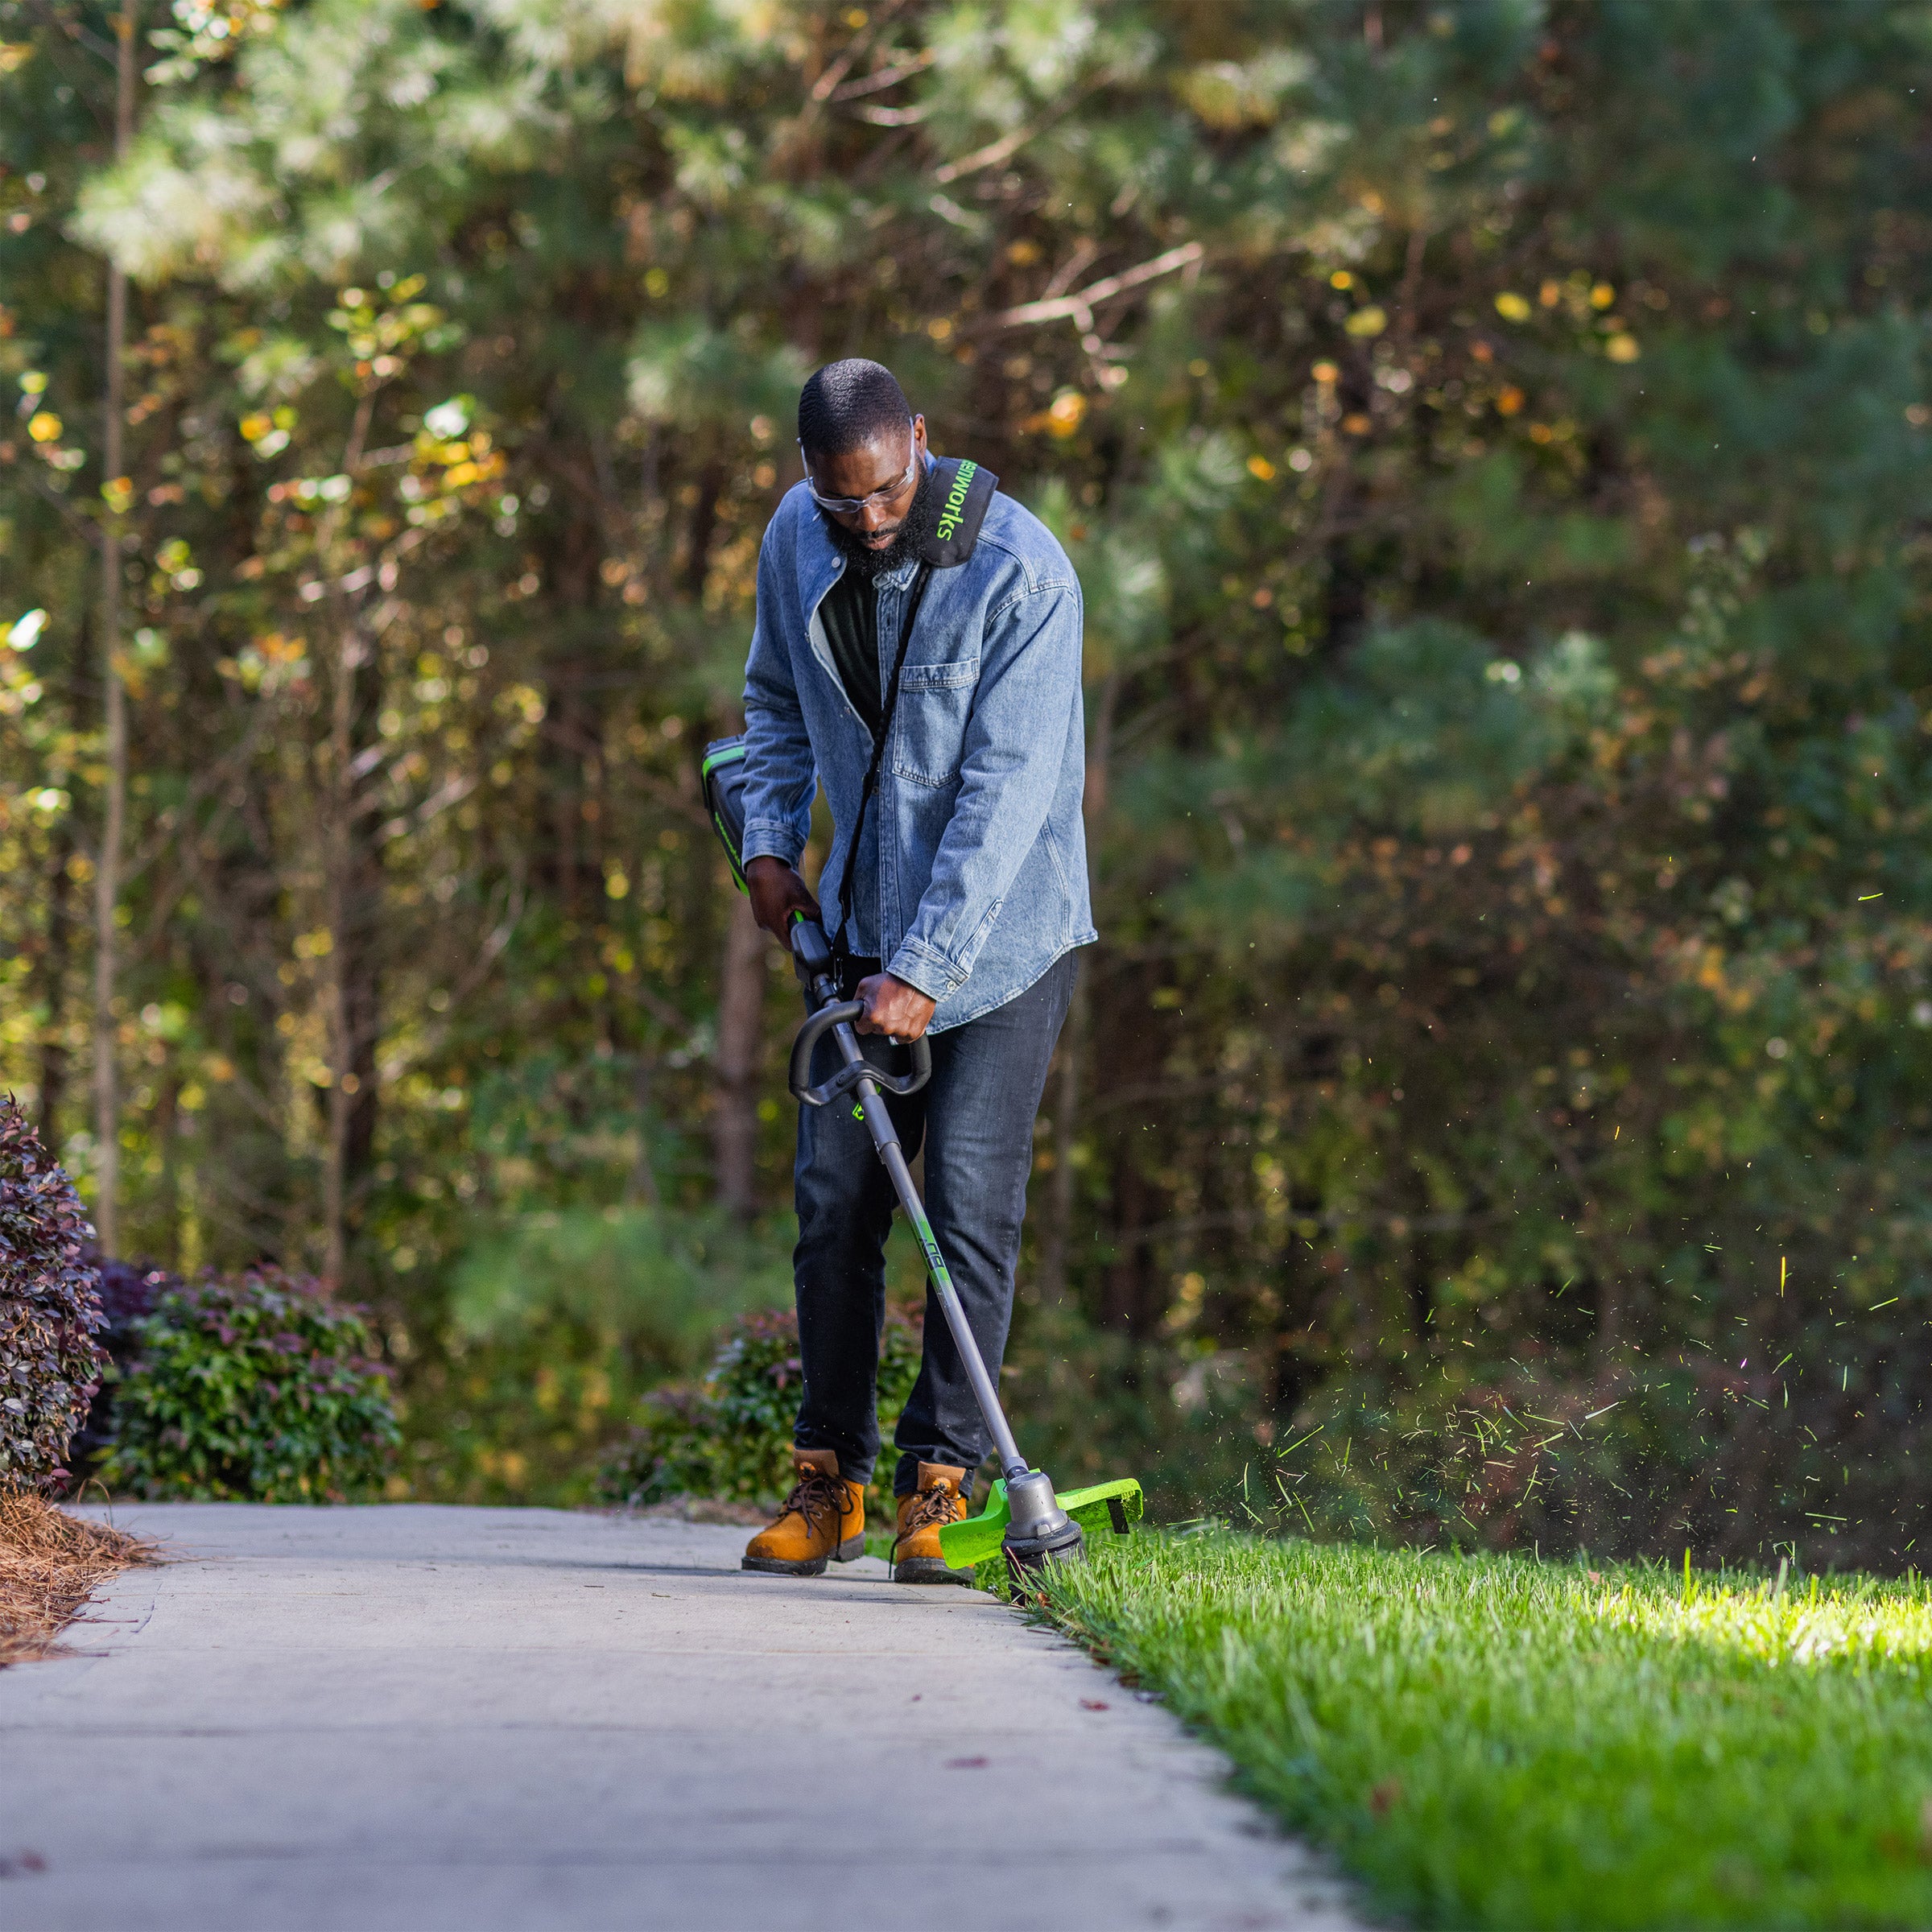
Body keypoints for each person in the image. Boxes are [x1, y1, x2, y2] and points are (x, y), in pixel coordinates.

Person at [735, 357, 1094, 1583]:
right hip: (856, 931)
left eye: (888, 493)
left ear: (922, 446)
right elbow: (774, 704)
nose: (871, 521)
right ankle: (825, 1481)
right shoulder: (798, 536)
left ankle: (940, 1488)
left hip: (1003, 946)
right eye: (846, 502)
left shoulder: (1023, 574)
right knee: (836, 1204)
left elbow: (1006, 800)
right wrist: (773, 842)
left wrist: (927, 969)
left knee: (969, 1210)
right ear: (810, 480)